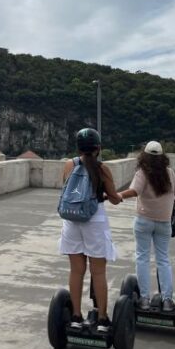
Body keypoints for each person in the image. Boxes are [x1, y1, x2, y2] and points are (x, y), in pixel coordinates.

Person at [58, 128, 122, 333]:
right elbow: (114, 198)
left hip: (71, 220)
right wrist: (116, 196)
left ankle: (76, 317)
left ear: (78, 148)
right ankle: (102, 319)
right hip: (94, 220)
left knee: (76, 271)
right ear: (98, 148)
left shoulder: (69, 165)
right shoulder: (103, 169)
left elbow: (68, 189)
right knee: (98, 271)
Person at [118, 141, 175, 312]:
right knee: (163, 259)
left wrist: (119, 195)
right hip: (164, 222)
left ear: (144, 156)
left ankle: (144, 299)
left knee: (142, 258)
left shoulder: (142, 173)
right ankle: (167, 300)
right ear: (162, 157)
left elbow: (134, 191)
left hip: (144, 221)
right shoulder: (169, 173)